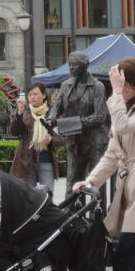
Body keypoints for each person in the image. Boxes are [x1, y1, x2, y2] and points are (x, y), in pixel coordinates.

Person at [65, 58, 135, 271]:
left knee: (125, 260)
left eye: (123, 84)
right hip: (134, 191)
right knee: (125, 263)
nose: (119, 90)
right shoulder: (127, 107)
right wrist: (90, 181)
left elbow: (123, 127)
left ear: (134, 84)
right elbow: (113, 154)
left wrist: (114, 94)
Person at [48, 51, 109, 201]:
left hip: (95, 142)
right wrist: (51, 119)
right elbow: (57, 106)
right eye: (69, 65)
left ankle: (97, 213)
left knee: (96, 184)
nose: (70, 68)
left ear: (84, 66)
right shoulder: (66, 85)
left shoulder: (97, 86)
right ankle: (71, 214)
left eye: (74, 65)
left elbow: (100, 116)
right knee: (72, 183)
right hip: (75, 142)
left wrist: (74, 124)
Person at [9, 83, 64, 196]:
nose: (32, 97)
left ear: (44, 95)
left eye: (35, 94)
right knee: (28, 198)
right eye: (30, 95)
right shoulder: (25, 112)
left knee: (47, 196)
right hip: (26, 163)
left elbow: (63, 139)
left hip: (46, 161)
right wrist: (19, 113)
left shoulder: (53, 113)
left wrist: (50, 140)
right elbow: (14, 132)